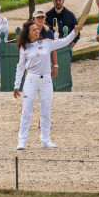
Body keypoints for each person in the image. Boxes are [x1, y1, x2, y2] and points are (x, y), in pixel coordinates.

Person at [14, 20, 81, 150]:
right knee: (26, 111)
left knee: (46, 111)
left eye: (37, 29)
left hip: (46, 80)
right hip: (31, 80)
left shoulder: (46, 43)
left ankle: (46, 139)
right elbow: (20, 67)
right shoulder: (24, 47)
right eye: (33, 30)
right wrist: (17, 85)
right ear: (27, 33)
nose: (37, 31)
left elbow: (64, 42)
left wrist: (75, 31)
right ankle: (21, 141)